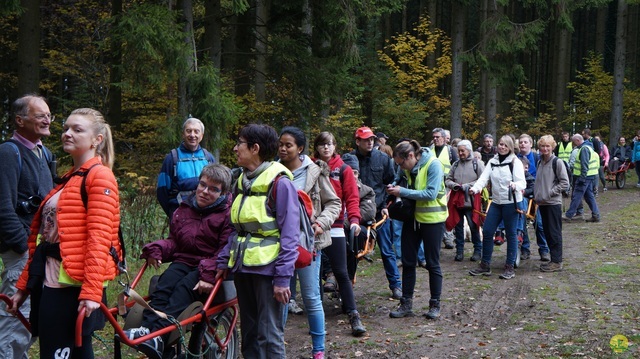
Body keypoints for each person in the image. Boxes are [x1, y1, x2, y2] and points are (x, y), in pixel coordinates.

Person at [9, 108, 121, 358]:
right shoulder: (70, 178)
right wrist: (24, 286)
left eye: (77, 130)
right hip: (53, 279)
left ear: (97, 140)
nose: (67, 134)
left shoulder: (99, 176)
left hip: (74, 285)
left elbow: (99, 238)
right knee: (63, 351)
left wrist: (92, 291)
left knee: (61, 352)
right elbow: (44, 239)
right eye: (66, 128)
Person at [121, 164, 234, 359]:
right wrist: (157, 249)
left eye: (213, 189)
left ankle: (159, 337)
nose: (205, 192)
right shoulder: (185, 209)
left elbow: (225, 250)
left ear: (223, 193)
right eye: (202, 185)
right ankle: (148, 332)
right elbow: (175, 242)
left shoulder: (226, 215)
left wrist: (208, 273)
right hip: (184, 261)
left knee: (183, 290)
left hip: (207, 266)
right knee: (163, 285)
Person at [215, 124, 299, 359]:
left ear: (255, 148)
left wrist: (283, 278)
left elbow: (291, 235)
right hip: (243, 268)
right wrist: (223, 261)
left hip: (269, 271)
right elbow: (235, 229)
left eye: (239, 143)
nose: (235, 148)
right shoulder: (241, 181)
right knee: (250, 333)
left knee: (270, 334)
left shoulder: (280, 184)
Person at [0, 94, 56, 359]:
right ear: (20, 120)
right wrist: (23, 246)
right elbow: (3, 208)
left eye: (49, 115)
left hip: (40, 252)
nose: (47, 119)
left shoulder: (44, 152)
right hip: (22, 252)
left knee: (30, 319)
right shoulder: (8, 153)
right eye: (40, 115)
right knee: (14, 321)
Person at [278, 126, 340, 359]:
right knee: (282, 295)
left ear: (300, 148)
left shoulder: (315, 172)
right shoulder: (273, 171)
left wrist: (320, 224)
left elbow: (334, 203)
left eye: (288, 145)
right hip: (279, 244)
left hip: (308, 243)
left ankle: (319, 350)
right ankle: (277, 347)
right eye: (281, 144)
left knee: (311, 296)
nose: (283, 148)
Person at [312, 132, 366, 336]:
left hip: (334, 226)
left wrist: (354, 221)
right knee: (314, 274)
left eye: (330, 144)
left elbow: (352, 198)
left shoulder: (343, 170)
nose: (326, 148)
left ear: (335, 146)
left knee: (341, 272)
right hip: (312, 226)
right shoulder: (310, 167)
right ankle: (316, 319)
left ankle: (353, 314)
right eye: (322, 144)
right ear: (316, 147)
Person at [386, 140, 446, 319]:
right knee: (408, 261)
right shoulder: (406, 166)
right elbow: (399, 179)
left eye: (401, 163)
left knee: (432, 263)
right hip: (412, 219)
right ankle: (406, 304)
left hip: (433, 220)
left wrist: (402, 192)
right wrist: (394, 186)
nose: (400, 167)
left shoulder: (433, 165)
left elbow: (430, 194)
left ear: (411, 156)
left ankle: (435, 304)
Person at [350, 126, 401, 300]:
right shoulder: (349, 160)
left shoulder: (383, 159)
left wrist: (388, 204)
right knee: (352, 250)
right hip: (356, 213)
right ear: (358, 141)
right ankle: (346, 286)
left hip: (379, 211)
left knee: (387, 249)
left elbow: (391, 183)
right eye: (366, 140)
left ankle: (396, 285)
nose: (370, 142)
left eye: (371, 139)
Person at [468, 135, 526, 279]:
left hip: (511, 203)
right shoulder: (493, 161)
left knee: (511, 234)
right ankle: (485, 264)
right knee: (487, 231)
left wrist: (514, 185)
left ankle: (509, 267)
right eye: (500, 144)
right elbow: (483, 178)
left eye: (505, 145)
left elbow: (522, 183)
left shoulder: (515, 162)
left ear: (510, 147)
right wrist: (475, 188)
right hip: (496, 202)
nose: (502, 147)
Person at [157, 117, 216, 219]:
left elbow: (217, 187)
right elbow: (161, 191)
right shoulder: (172, 158)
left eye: (196, 131)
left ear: (201, 135)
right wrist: (173, 214)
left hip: (205, 217)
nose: (192, 135)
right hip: (180, 218)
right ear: (183, 134)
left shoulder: (208, 158)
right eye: (188, 131)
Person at [534, 135, 570, 273]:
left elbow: (564, 182)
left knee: (554, 232)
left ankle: (557, 261)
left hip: (553, 203)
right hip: (542, 203)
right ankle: (553, 260)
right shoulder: (539, 162)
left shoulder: (557, 162)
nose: (545, 148)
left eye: (548, 146)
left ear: (552, 147)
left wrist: (549, 193)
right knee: (547, 232)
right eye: (543, 146)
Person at [445, 140, 484, 262]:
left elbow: (482, 180)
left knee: (474, 225)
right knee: (458, 227)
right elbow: (447, 179)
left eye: (463, 151)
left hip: (472, 201)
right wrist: (455, 185)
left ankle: (478, 250)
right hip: (457, 201)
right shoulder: (455, 164)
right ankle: (459, 252)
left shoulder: (477, 164)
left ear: (469, 150)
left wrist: (467, 186)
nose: (460, 153)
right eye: (459, 151)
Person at [517, 134, 549, 261]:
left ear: (531, 144)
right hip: (521, 196)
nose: (523, 144)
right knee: (522, 222)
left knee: (539, 224)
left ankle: (544, 250)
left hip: (537, 195)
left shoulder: (537, 158)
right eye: (520, 142)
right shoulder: (514, 159)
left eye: (525, 142)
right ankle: (525, 249)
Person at [562, 134, 601, 223]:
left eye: (573, 142)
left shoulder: (584, 149)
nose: (573, 144)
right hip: (589, 176)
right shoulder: (588, 147)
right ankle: (596, 215)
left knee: (577, 195)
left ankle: (568, 215)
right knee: (589, 196)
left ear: (577, 140)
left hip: (584, 177)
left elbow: (584, 165)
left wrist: (582, 178)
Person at [431, 128, 458, 249]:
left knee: (447, 211)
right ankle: (437, 237)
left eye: (438, 137)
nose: (435, 139)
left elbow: (456, 166)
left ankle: (448, 237)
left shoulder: (451, 150)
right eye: (434, 137)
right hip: (432, 186)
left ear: (444, 138)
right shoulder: (429, 150)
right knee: (435, 212)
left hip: (447, 186)